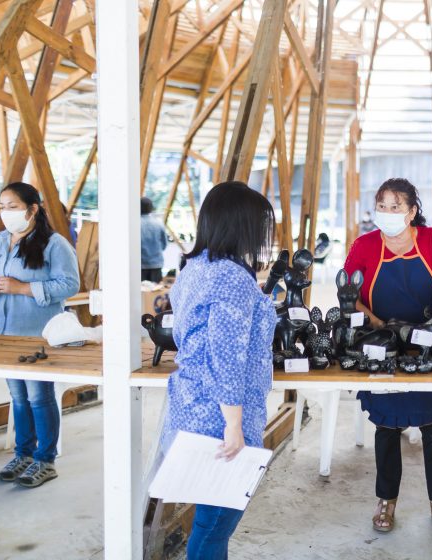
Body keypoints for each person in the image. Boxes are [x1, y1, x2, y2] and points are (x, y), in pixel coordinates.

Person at [159, 181, 277, 559]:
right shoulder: (231, 278)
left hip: (192, 406)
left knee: (209, 520)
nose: (261, 235)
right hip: (219, 416)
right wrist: (234, 424)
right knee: (215, 525)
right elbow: (225, 358)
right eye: (259, 225)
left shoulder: (195, 266)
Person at [344, 178, 432, 533]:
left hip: (427, 341)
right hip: (381, 343)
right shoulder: (364, 245)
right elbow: (348, 291)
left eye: (395, 207)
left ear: (412, 211)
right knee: (386, 426)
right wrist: (381, 324)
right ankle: (386, 501)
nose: (387, 213)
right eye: (382, 206)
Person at [0, 182, 80, 488]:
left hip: (37, 336)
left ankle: (45, 459)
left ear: (32, 209)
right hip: (3, 335)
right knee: (17, 396)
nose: (5, 213)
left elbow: (69, 284)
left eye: (12, 206)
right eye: (2, 206)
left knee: (39, 397)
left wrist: (24, 288)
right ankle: (23, 454)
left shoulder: (55, 244)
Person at [141, 196, 168, 283]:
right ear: (151, 208)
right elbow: (164, 245)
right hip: (156, 263)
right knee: (154, 293)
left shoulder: (134, 224)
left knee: (140, 294)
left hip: (140, 265)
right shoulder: (158, 223)